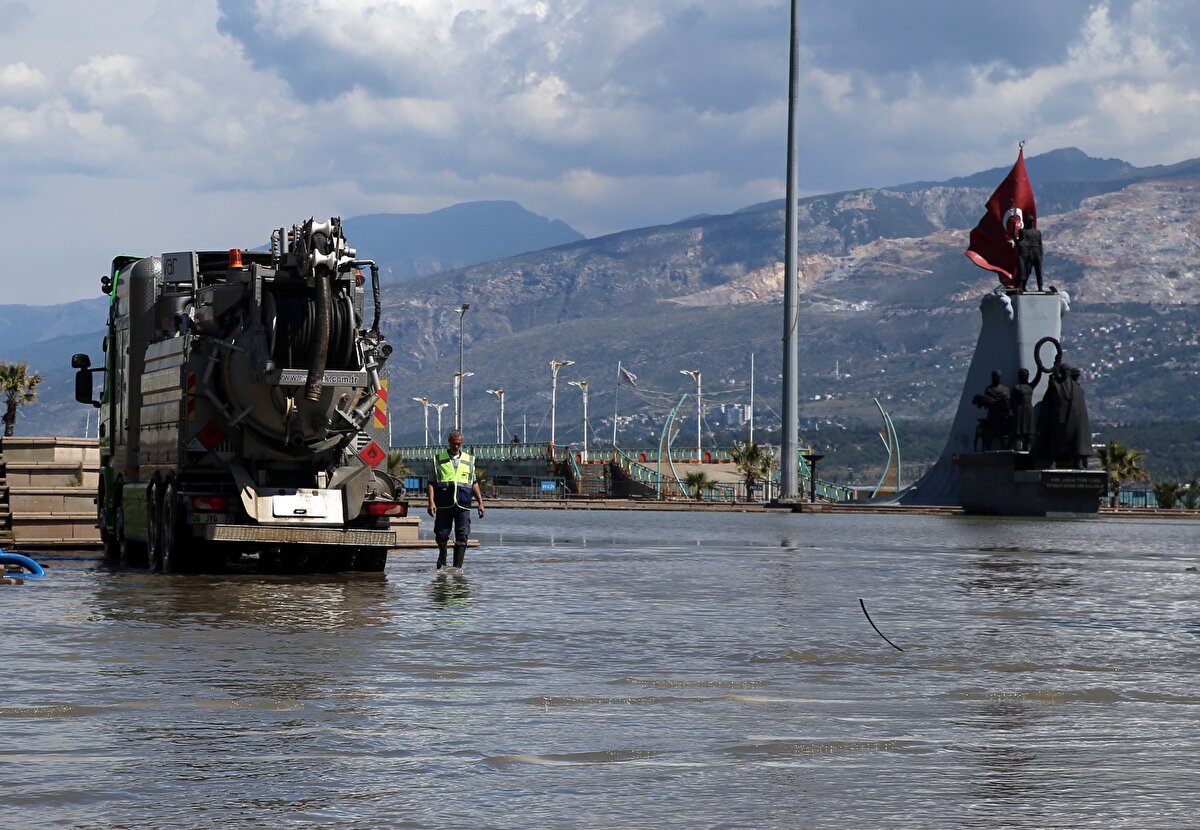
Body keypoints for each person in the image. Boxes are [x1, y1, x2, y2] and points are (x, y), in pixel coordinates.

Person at [427, 430, 485, 570]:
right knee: (441, 534)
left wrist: (480, 503)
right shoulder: (439, 459)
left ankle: (457, 568)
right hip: (444, 504)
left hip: (463, 504)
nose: (457, 447)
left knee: (462, 535)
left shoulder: (469, 460)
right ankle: (443, 556)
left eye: (459, 444)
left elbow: (474, 483)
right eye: (454, 444)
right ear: (449, 442)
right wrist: (431, 502)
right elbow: (431, 483)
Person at [1010, 368, 1036, 451]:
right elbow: (1011, 401)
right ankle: (1019, 446)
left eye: (1026, 375)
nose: (1025, 377)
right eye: (1023, 375)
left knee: (1030, 430)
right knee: (1019, 430)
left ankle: (1029, 446)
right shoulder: (1016, 387)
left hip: (1029, 410)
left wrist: (1039, 369)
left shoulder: (1030, 386)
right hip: (1020, 410)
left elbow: (1037, 378)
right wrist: (1011, 410)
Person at [1016, 226, 1044, 292]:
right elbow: (1021, 243)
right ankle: (1023, 286)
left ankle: (1040, 287)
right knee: (1027, 271)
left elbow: (1040, 244)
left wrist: (1041, 255)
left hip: (1036, 252)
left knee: (1038, 272)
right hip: (1029, 252)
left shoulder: (1038, 232)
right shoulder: (1023, 231)